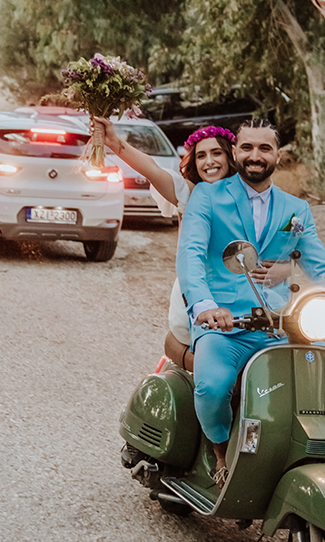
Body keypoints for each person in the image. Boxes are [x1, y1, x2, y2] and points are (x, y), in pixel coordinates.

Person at [176, 119, 325, 487]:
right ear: (235, 152)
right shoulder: (208, 196)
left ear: (278, 155)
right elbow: (189, 254)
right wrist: (204, 305)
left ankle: (302, 456)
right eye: (247, 147)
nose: (255, 156)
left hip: (281, 325)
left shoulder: (295, 208)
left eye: (265, 148)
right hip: (226, 324)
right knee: (212, 387)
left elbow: (319, 263)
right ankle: (220, 453)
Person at [95, 117, 237, 369]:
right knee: (218, 363)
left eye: (217, 153)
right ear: (194, 161)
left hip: (240, 290)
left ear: (230, 157)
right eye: (201, 155)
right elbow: (151, 168)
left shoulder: (248, 196)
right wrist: (114, 143)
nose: (210, 161)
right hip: (198, 289)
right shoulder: (188, 192)